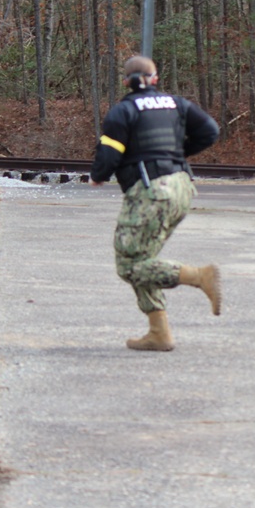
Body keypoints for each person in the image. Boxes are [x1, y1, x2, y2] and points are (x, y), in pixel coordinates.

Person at [91, 55, 222, 351]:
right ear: (156, 78)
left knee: (128, 265)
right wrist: (177, 153)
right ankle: (159, 333)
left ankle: (199, 276)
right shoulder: (177, 104)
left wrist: (97, 176)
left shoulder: (122, 111)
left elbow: (109, 155)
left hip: (152, 191)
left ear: (126, 82)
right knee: (143, 261)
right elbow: (211, 131)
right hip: (182, 187)